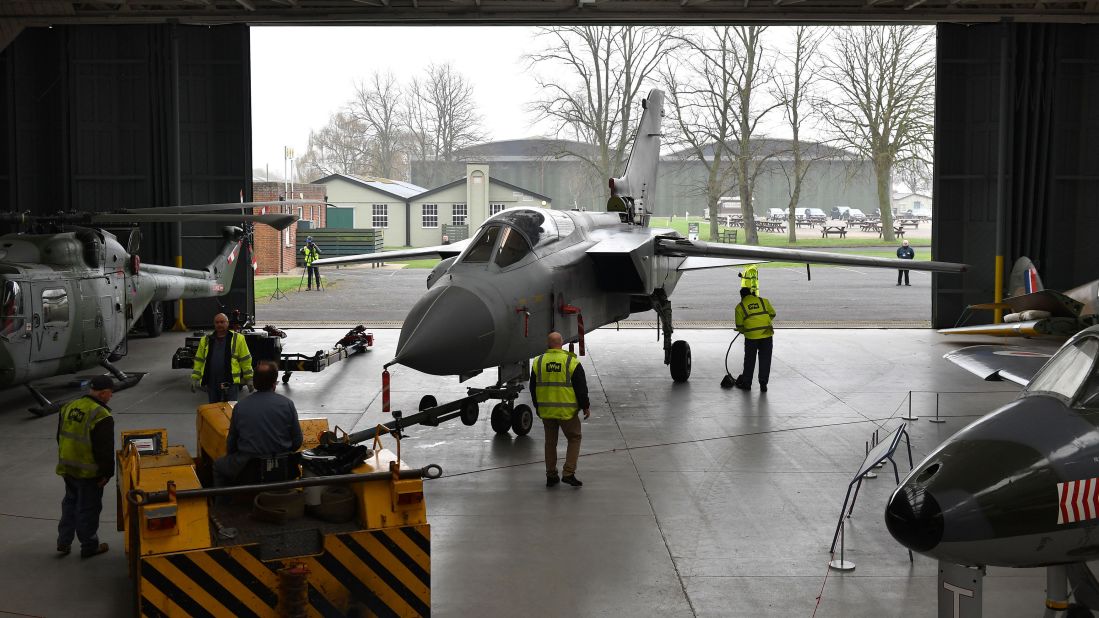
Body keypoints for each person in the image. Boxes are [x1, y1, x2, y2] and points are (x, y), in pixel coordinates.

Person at [213, 361, 304, 487]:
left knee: (218, 466)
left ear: (254, 383)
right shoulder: (287, 404)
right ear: (275, 383)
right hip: (283, 468)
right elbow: (297, 441)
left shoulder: (240, 407)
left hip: (248, 470)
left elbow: (231, 444)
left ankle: (222, 504)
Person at [55, 375, 114, 558]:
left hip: (68, 467)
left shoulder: (69, 406)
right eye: (110, 394)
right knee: (88, 509)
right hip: (88, 472)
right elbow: (104, 449)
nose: (110, 397)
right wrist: (107, 473)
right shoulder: (101, 414)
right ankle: (89, 546)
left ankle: (64, 542)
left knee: (70, 504)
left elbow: (59, 436)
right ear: (103, 393)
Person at [530, 332, 590, 488]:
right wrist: (585, 406)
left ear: (548, 344)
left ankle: (551, 475)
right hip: (567, 412)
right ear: (561, 343)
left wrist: (538, 407)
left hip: (547, 412)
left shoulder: (538, 362)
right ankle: (568, 473)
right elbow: (581, 388)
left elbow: (532, 388)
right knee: (574, 438)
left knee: (550, 443)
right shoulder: (571, 362)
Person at [191, 313, 254, 403]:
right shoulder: (205, 340)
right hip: (212, 382)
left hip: (230, 381)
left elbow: (245, 360)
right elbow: (199, 361)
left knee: (230, 410)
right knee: (214, 409)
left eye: (222, 322)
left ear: (227, 323)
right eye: (217, 322)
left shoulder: (238, 339)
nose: (219, 324)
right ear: (214, 324)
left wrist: (249, 378)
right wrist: (195, 378)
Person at [734, 287, 776, 392]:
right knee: (765, 359)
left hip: (751, 337)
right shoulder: (764, 301)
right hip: (766, 334)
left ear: (742, 296)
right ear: (751, 294)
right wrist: (763, 322)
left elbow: (739, 325)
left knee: (749, 360)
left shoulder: (740, 307)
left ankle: (747, 384)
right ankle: (763, 384)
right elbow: (772, 313)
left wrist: (745, 330)